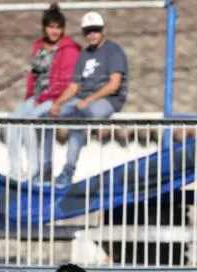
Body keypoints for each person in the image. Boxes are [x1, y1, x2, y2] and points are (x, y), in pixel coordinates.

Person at [46, 11, 129, 187]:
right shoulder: (85, 54)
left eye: (96, 30)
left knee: (80, 115)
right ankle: (44, 171)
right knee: (44, 115)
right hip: (84, 100)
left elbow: (114, 84)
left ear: (103, 30)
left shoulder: (113, 50)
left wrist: (88, 100)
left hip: (108, 100)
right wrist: (58, 104)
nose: (92, 35)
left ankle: (68, 171)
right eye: (88, 31)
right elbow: (74, 86)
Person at [7, 4, 81, 182]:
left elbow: (65, 81)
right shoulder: (39, 46)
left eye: (58, 27)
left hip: (55, 98)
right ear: (44, 28)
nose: (54, 31)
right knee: (11, 121)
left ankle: (35, 170)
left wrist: (42, 99)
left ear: (63, 29)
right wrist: (29, 98)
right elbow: (34, 75)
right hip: (37, 97)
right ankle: (15, 171)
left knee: (28, 123)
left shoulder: (70, 49)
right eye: (50, 27)